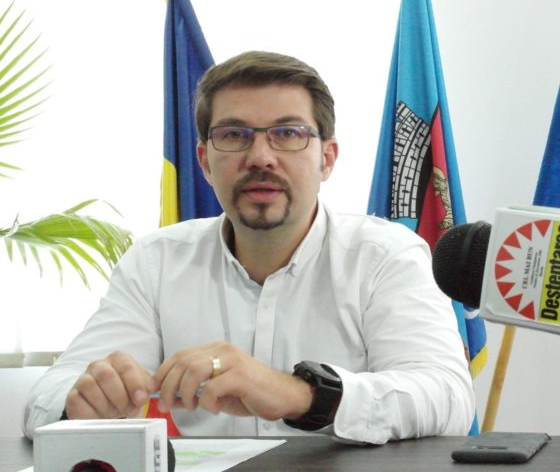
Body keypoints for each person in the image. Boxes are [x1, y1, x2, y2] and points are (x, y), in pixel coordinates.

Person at [23, 51, 475, 444]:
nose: (260, 157)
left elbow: (447, 398)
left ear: (327, 159)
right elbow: (46, 399)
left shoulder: (385, 256)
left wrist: (297, 394)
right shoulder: (156, 261)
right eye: (234, 135)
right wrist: (83, 400)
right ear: (205, 161)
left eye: (288, 133)